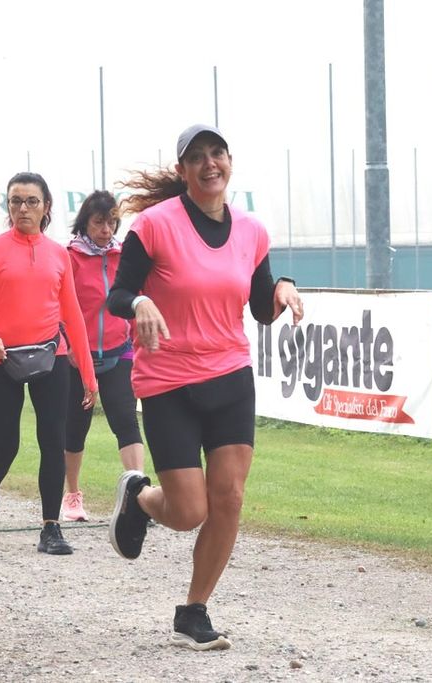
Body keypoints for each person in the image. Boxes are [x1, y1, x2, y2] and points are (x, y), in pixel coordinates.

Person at [107, 124, 303, 650]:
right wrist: (139, 302)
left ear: (229, 162)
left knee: (229, 499)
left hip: (229, 376)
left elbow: (260, 308)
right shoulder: (154, 225)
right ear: (183, 170)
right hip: (168, 381)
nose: (209, 163)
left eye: (217, 153)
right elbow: (117, 294)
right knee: (189, 511)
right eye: (197, 157)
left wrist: (283, 288)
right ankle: (140, 496)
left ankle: (193, 611)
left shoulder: (252, 232)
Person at [0, 172, 98, 555]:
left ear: (46, 207)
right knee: (5, 444)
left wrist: (88, 374)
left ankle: (51, 528)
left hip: (50, 356)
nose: (23, 208)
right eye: (16, 201)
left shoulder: (58, 254)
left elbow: (73, 316)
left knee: (53, 441)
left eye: (31, 201)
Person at [60, 191, 146, 522]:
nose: (106, 230)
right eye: (98, 222)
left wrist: (137, 341)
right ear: (85, 222)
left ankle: (139, 493)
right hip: (76, 358)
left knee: (126, 420)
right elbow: (57, 304)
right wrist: (67, 343)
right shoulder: (70, 257)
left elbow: (134, 300)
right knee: (75, 426)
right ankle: (72, 495)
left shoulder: (124, 256)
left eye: (111, 223)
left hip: (118, 352)